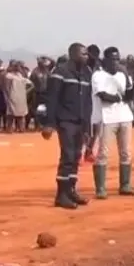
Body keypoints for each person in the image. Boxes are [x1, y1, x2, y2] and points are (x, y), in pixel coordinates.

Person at [41, 43, 95, 209]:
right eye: (83, 54)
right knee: (67, 156)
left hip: (80, 122)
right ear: (73, 54)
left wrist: (87, 126)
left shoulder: (87, 73)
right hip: (65, 120)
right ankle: (61, 195)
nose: (87, 57)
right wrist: (49, 123)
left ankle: (71, 190)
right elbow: (52, 98)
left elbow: (88, 102)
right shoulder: (60, 72)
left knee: (76, 157)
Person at [91, 48, 134, 198]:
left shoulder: (122, 75)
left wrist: (127, 77)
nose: (116, 62)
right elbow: (102, 95)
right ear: (105, 60)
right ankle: (101, 188)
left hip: (124, 116)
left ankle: (125, 185)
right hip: (107, 118)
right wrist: (118, 98)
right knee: (103, 153)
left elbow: (130, 95)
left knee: (126, 152)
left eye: (117, 59)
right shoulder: (98, 75)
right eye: (112, 59)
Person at [3, 62, 32, 132]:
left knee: (11, 113)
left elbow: (6, 87)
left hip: (13, 96)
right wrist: (26, 91)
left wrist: (7, 94)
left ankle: (10, 129)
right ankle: (21, 129)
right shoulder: (21, 77)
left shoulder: (9, 76)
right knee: (20, 114)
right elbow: (31, 85)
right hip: (21, 97)